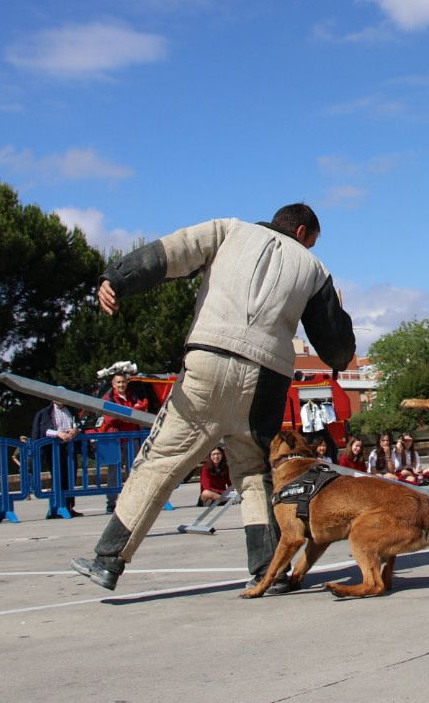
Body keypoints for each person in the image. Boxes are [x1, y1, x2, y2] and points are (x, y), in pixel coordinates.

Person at [72, 202, 354, 593]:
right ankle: (266, 571)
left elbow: (170, 252)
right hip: (267, 377)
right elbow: (336, 343)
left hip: (208, 359)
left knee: (160, 463)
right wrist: (341, 352)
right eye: (313, 243)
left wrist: (116, 279)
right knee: (255, 473)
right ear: (303, 233)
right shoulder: (314, 269)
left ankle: (108, 561)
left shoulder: (229, 229)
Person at [95, 371, 152, 513]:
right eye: (118, 382)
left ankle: (132, 502)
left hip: (132, 438)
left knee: (134, 471)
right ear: (113, 384)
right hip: (114, 439)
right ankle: (111, 503)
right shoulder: (109, 398)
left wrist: (125, 413)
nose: (121, 385)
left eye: (123, 382)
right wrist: (131, 412)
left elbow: (143, 408)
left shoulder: (132, 396)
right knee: (113, 472)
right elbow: (110, 418)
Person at [33, 400, 83, 518]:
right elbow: (44, 430)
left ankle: (69, 506)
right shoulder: (46, 412)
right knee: (58, 477)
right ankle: (57, 507)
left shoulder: (70, 410)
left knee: (71, 476)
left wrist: (76, 430)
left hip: (70, 447)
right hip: (54, 448)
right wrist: (58, 434)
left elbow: (79, 424)